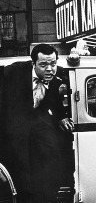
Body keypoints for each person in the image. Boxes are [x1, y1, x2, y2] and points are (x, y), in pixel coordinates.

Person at [1, 44, 74, 203]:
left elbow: (55, 98)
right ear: (33, 63)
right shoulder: (14, 72)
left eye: (53, 64)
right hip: (13, 127)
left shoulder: (55, 76)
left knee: (51, 152)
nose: (49, 69)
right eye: (43, 64)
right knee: (20, 168)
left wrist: (61, 116)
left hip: (37, 124)